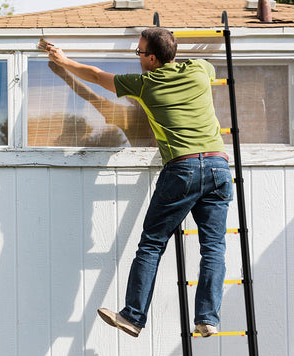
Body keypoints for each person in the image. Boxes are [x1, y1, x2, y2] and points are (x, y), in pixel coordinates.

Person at [45, 27, 233, 338]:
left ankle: (132, 316)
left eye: (140, 52)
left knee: (152, 243)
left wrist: (63, 60)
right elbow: (208, 67)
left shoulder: (144, 84)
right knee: (213, 247)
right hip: (219, 167)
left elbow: (94, 76)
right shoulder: (200, 69)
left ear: (153, 59)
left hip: (183, 169)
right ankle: (208, 318)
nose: (137, 57)